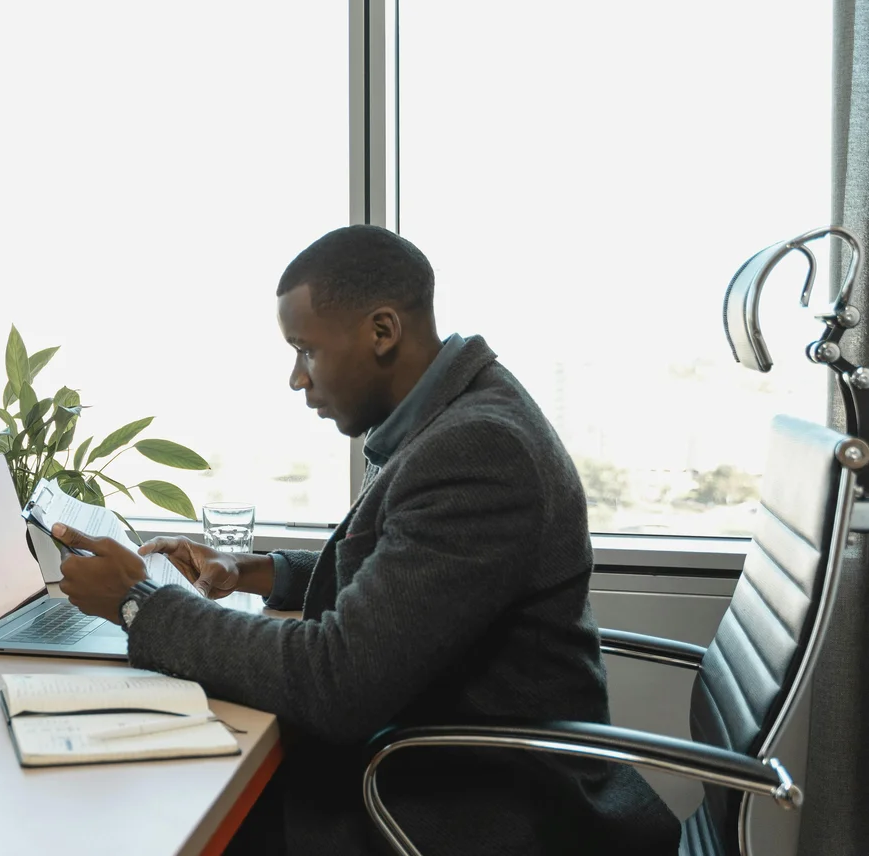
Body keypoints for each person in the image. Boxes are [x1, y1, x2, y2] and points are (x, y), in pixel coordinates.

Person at [55, 225, 679, 855]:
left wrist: (138, 603)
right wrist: (254, 570)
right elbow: (399, 570)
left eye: (306, 350)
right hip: (447, 771)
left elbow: (337, 683)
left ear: (382, 331)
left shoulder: (479, 448)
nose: (297, 379)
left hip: (484, 811)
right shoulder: (453, 415)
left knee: (151, 817)